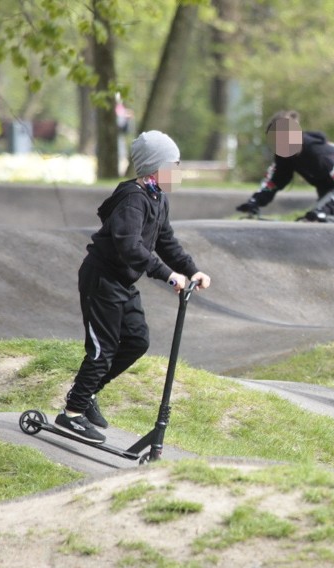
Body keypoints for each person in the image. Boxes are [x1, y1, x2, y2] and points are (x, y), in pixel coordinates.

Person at [55, 130, 211, 444]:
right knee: (102, 350)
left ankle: (87, 395)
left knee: (137, 340)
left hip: (123, 282)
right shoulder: (132, 200)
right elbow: (130, 248)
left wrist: (191, 270)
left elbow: (165, 241)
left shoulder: (157, 198)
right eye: (174, 166)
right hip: (102, 280)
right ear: (155, 168)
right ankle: (71, 414)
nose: (178, 173)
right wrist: (168, 275)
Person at [236, 110, 334, 223]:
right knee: (313, 218)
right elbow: (276, 180)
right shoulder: (284, 153)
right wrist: (255, 202)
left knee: (321, 220)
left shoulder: (320, 154)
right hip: (326, 184)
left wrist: (322, 212)